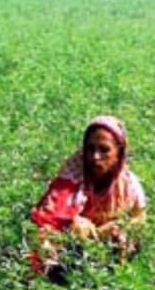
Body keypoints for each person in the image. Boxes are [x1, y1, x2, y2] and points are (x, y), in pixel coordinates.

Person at [29, 116, 146, 278]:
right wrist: (74, 224)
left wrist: (115, 229)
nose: (95, 157)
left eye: (104, 150)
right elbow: (47, 221)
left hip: (106, 256)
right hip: (67, 253)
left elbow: (138, 222)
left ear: (118, 153)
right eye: (90, 149)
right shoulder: (71, 178)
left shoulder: (129, 186)